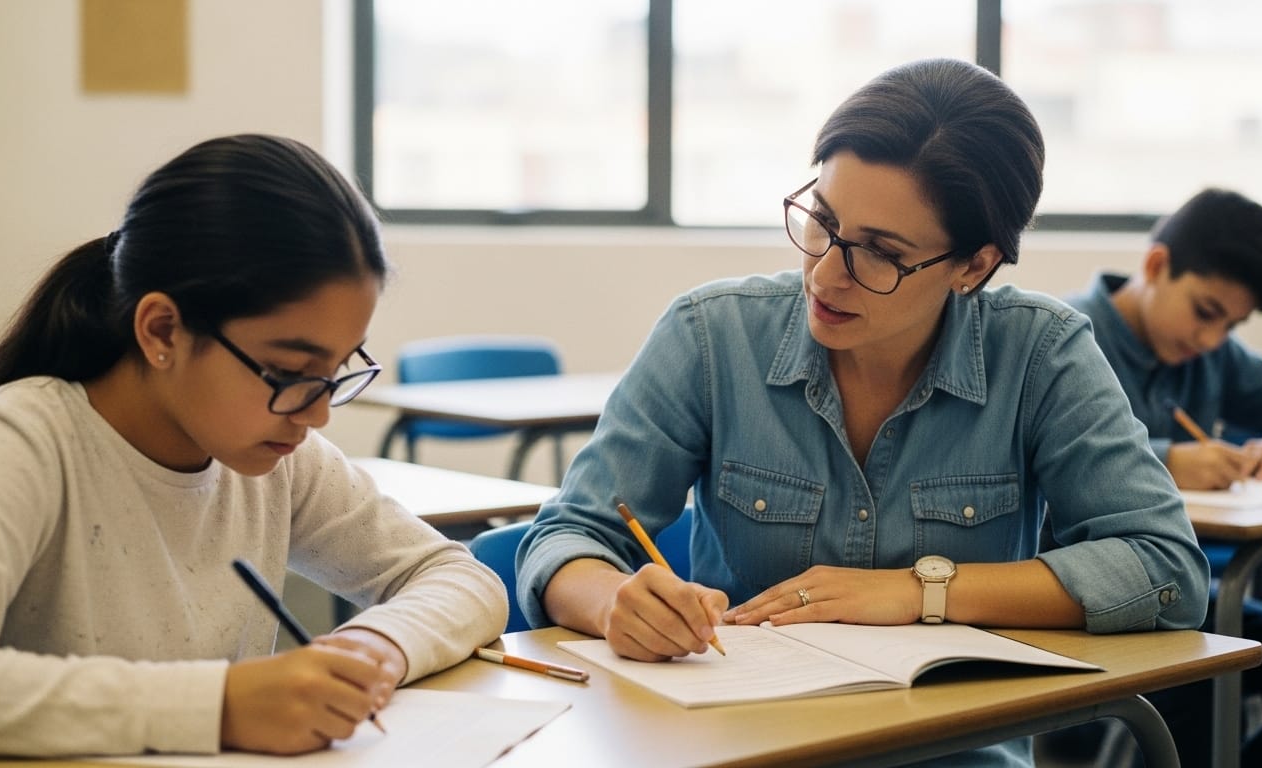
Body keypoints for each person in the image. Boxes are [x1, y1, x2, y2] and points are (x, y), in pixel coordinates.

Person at [515, 58, 1208, 767]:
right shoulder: (710, 335)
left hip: (956, 753)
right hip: (741, 741)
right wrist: (613, 602)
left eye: (879, 253)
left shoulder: (1040, 355)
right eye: (822, 219)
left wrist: (918, 593)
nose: (823, 272)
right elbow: (568, 536)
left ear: (973, 266)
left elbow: (1167, 570)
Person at [0, 134, 507, 757]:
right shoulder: (28, 439)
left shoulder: (276, 458)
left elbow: (456, 575)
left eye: (336, 370)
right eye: (291, 372)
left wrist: (373, 649)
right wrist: (218, 705)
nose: (318, 413)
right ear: (162, 330)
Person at [1064, 188, 1262, 766]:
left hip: (1185, 595)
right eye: (1205, 312)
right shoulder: (1064, 341)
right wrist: (1166, 459)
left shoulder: (1210, 354)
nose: (1211, 339)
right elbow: (1029, 486)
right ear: (1156, 265)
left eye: (1232, 325)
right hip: (1091, 603)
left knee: (1220, 649)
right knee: (1200, 675)